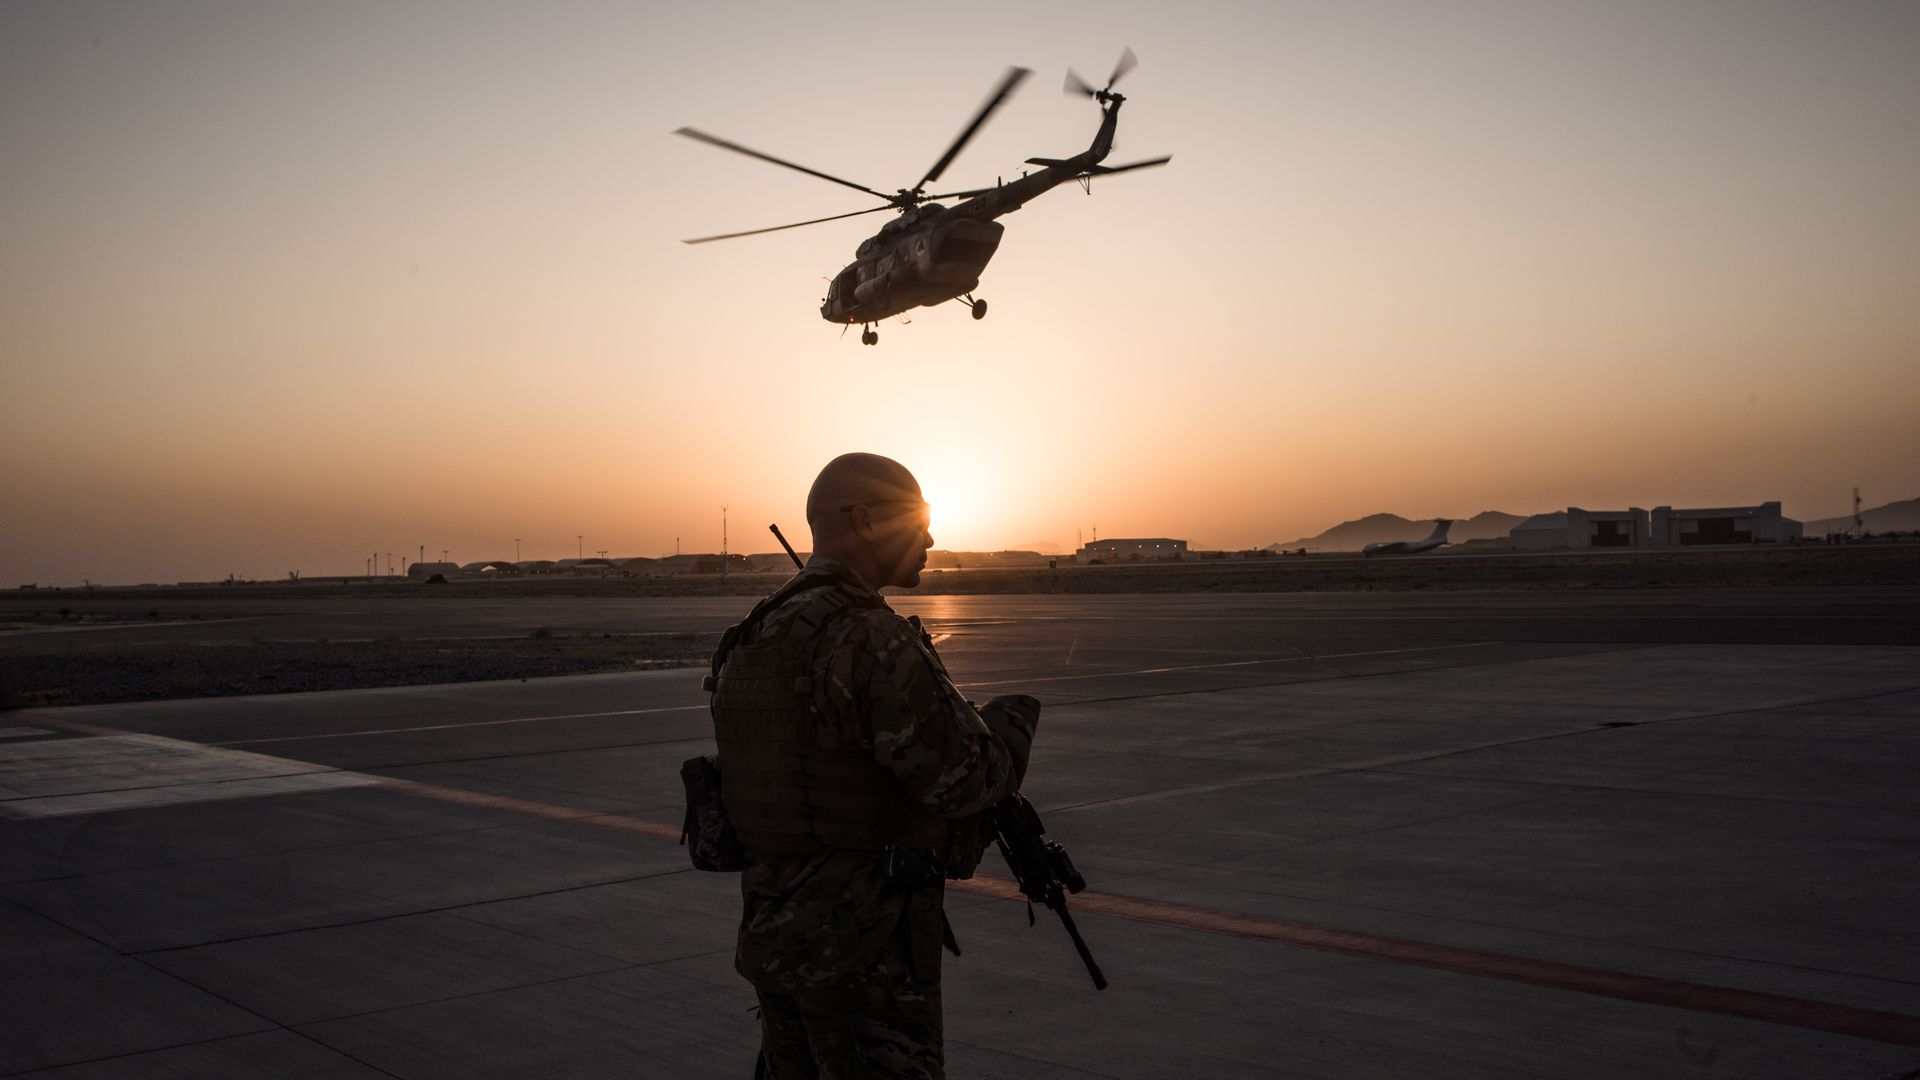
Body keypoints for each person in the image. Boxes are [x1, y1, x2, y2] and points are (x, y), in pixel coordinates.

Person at [707, 452, 1040, 1079]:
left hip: (777, 935)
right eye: (918, 520)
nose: (931, 538)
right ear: (864, 521)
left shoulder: (754, 633)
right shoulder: (868, 637)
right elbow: (964, 781)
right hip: (862, 949)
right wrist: (1008, 726)